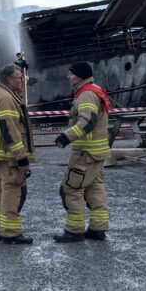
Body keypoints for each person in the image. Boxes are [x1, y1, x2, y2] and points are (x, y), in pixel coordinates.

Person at [0, 63, 35, 244]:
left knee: (0, 191)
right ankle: (11, 232)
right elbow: (9, 128)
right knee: (13, 191)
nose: (22, 81)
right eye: (19, 78)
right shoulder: (6, 98)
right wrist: (21, 157)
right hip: (9, 155)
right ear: (9, 80)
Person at [53, 61, 111, 242]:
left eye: (71, 74)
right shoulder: (95, 90)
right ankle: (97, 229)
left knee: (71, 189)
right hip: (98, 153)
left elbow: (87, 121)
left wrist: (66, 137)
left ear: (79, 75)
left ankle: (74, 231)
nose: (68, 77)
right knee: (95, 189)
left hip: (85, 153)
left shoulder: (86, 95)